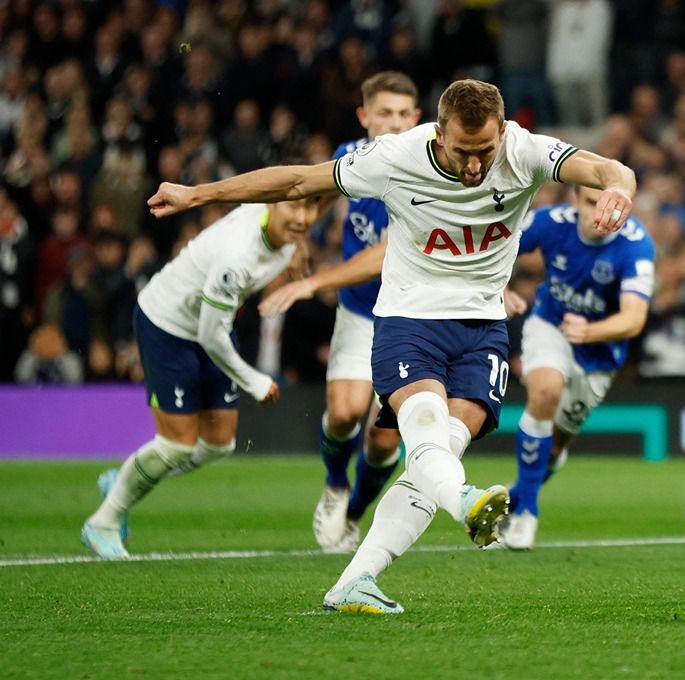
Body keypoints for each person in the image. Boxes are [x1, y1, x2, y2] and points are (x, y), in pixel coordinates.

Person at [147, 79, 636, 613]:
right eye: (463, 152)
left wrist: (619, 190)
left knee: (435, 460)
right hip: (410, 320)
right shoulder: (394, 157)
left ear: (501, 133)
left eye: (485, 152)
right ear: (439, 132)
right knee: (427, 436)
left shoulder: (525, 150)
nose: (475, 168)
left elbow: (612, 169)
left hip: (483, 329)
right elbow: (297, 181)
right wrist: (202, 194)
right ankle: (467, 501)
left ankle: (356, 580)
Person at [81, 197, 320, 559]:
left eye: (311, 208)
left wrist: (298, 243)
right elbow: (211, 338)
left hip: (212, 323)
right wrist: (253, 380)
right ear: (273, 203)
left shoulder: (284, 231)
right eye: (294, 208)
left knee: (218, 443)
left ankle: (122, 482)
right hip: (169, 325)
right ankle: (103, 522)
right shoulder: (236, 257)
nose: (304, 217)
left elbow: (324, 190)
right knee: (176, 445)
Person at [502, 187, 655, 549]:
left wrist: (591, 331)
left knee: (554, 448)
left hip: (599, 352)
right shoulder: (550, 222)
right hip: (549, 325)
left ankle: (516, 497)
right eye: (590, 203)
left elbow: (634, 319)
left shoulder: (637, 244)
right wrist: (498, 288)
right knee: (546, 392)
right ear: (575, 201)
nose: (600, 214)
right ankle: (527, 513)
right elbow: (494, 247)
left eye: (611, 206)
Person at [309, 72, 421, 554]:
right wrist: (298, 238)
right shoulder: (347, 158)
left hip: (411, 315)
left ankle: (353, 513)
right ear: (365, 117)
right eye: (384, 114)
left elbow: (387, 251)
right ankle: (335, 485)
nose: (394, 124)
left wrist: (317, 281)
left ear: (416, 118)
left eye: (403, 114)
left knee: (381, 441)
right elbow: (313, 198)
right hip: (359, 312)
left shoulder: (427, 168)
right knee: (343, 414)